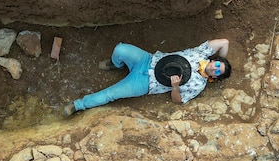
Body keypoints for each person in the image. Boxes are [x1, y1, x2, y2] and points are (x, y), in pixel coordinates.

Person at [63, 38, 232, 117]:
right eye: (218, 65)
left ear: (215, 77)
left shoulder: (198, 85)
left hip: (147, 83)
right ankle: (117, 64)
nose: (215, 68)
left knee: (111, 94)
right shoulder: (201, 53)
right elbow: (224, 43)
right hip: (148, 60)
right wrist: (225, 60)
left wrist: (175, 87)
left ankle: (78, 105)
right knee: (120, 49)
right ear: (214, 60)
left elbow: (178, 101)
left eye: (218, 72)